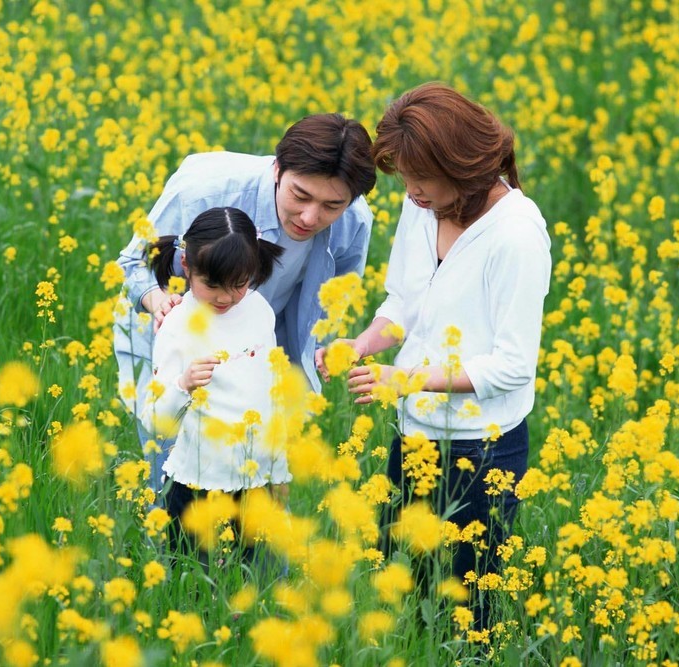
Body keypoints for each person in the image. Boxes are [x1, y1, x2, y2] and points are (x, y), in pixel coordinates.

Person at [318, 82, 552, 628]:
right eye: (405, 179)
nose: (412, 193)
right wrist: (364, 343)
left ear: (463, 165)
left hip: (482, 450)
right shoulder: (423, 207)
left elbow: (513, 366)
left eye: (421, 180)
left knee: (470, 613)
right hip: (414, 435)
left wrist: (405, 380)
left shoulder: (515, 236)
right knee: (403, 596)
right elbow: (405, 300)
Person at [115, 114, 377, 493]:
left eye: (331, 206)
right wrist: (156, 301)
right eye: (300, 196)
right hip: (175, 341)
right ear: (277, 169)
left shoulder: (353, 220)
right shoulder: (205, 193)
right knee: (173, 479)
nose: (310, 217)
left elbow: (334, 294)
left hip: (256, 347)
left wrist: (319, 347)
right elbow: (132, 262)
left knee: (256, 484)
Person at [139, 206, 286, 561]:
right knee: (192, 579)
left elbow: (272, 396)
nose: (226, 297)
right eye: (213, 285)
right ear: (187, 267)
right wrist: (183, 384)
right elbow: (154, 419)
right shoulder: (177, 325)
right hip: (199, 482)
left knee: (251, 580)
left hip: (255, 478)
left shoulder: (259, 310)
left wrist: (278, 469)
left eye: (239, 283)